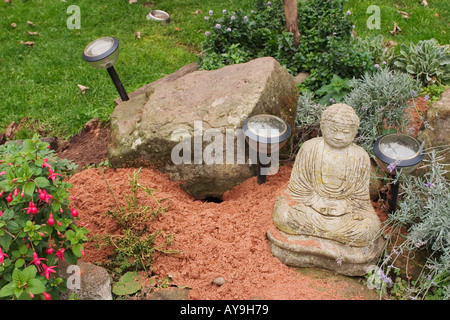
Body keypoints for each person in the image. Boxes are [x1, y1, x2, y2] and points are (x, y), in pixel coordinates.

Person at [272, 103, 381, 247]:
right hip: (311, 209)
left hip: (344, 215)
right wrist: (318, 203)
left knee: (368, 230)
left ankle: (319, 233)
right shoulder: (309, 148)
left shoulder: (360, 156)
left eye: (346, 132)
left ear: (355, 132)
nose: (339, 136)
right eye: (334, 130)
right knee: (283, 216)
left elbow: (360, 200)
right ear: (323, 127)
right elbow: (297, 191)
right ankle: (333, 236)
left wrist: (342, 207)